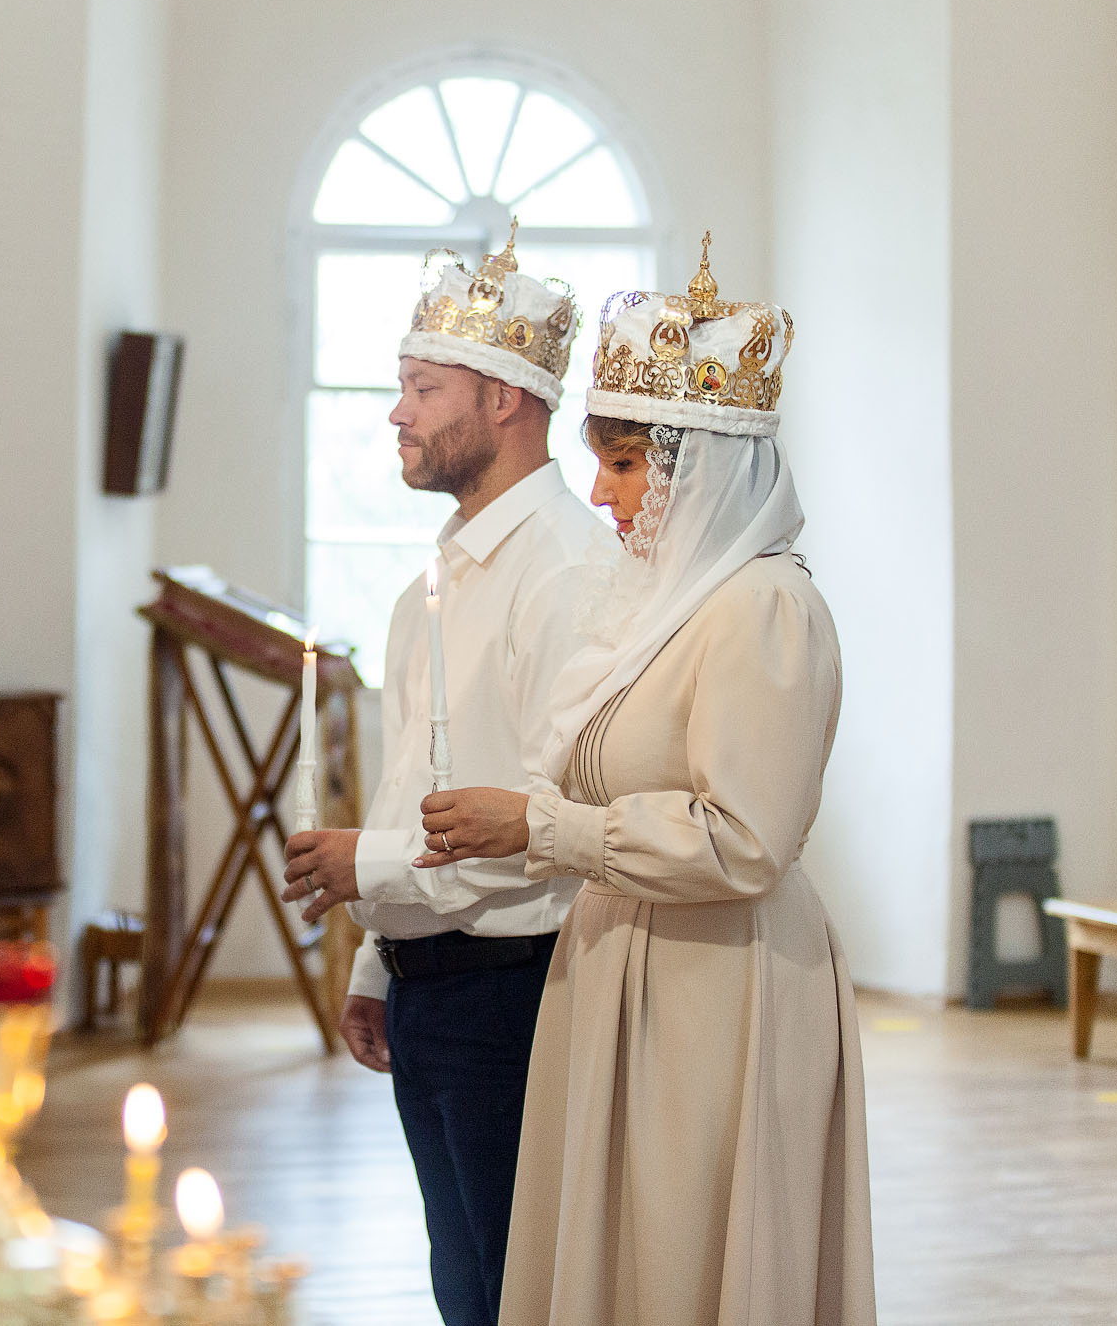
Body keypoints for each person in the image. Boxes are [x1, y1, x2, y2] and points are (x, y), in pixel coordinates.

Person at [418, 237, 878, 1324]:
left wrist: (544, 829)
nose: (602, 492)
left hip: (717, 986)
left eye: (626, 465)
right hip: (624, 961)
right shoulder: (656, 610)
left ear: (700, 467)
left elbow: (742, 839)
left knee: (685, 1257)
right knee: (615, 1257)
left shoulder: (764, 607)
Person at [278, 225, 621, 1326]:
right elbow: (414, 786)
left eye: (423, 389)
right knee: (462, 1283)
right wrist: (379, 961)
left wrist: (364, 868)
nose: (397, 414)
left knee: (520, 1287)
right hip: (434, 982)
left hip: (515, 988)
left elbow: (548, 819)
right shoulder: (436, 578)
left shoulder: (567, 571)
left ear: (504, 400)